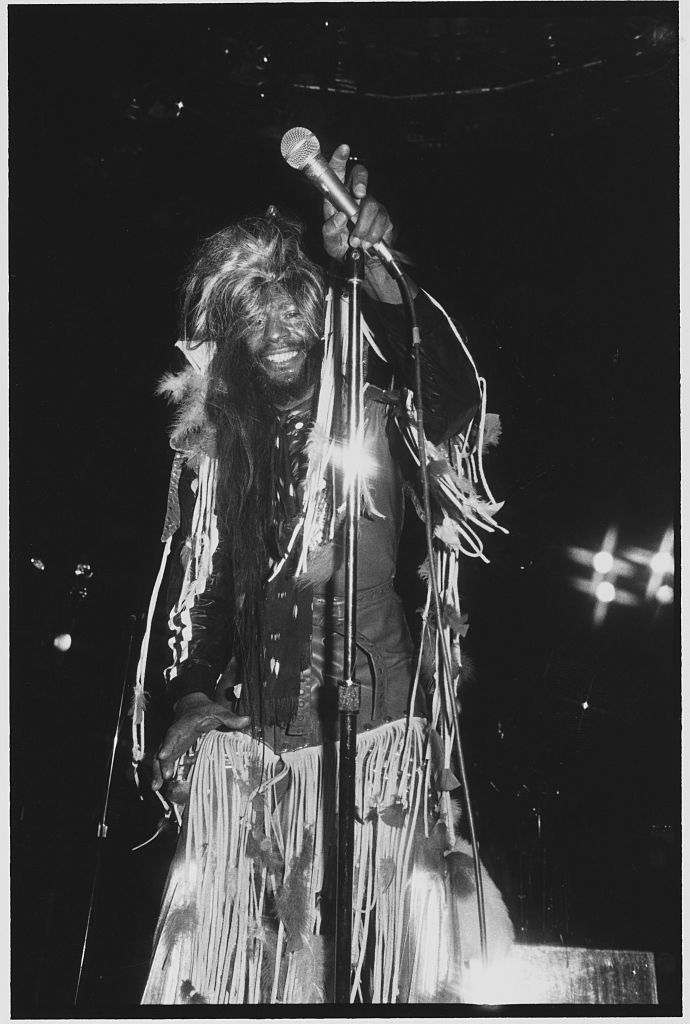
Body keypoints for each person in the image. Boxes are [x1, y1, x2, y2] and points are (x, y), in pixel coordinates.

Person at [133, 143, 513, 1005]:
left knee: (382, 979)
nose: (276, 337)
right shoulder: (220, 455)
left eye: (293, 312)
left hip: (374, 756)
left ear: (321, 314)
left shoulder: (377, 421)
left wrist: (377, 271)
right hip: (260, 765)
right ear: (230, 333)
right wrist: (191, 695)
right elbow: (203, 598)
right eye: (255, 318)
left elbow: (456, 400)